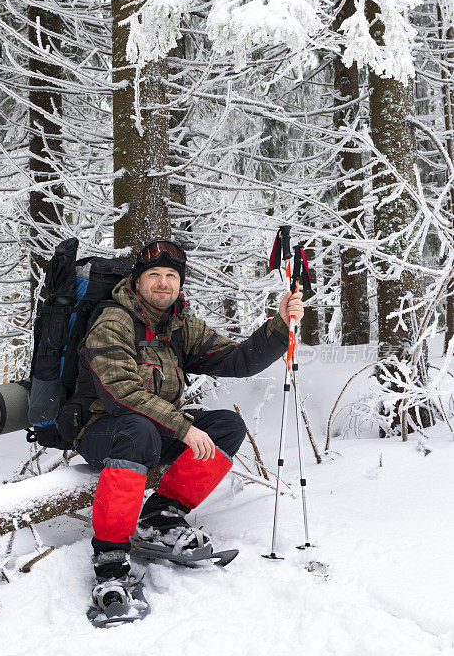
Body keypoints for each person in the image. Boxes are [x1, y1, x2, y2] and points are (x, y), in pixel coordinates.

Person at [74, 239, 304, 613]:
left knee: (227, 426)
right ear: (137, 281)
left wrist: (279, 325)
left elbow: (237, 361)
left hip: (154, 429)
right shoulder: (112, 320)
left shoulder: (179, 325)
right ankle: (110, 557)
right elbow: (122, 392)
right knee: (139, 429)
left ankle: (161, 515)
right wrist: (183, 429)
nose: (163, 283)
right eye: (154, 276)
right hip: (104, 431)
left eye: (171, 276)